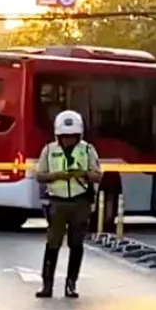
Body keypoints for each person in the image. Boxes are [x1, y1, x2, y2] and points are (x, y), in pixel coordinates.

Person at [34, 110, 101, 299]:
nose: (69, 140)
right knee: (53, 243)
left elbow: (98, 175)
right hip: (57, 201)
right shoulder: (49, 150)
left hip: (80, 201)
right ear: (58, 135)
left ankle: (71, 284)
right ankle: (47, 285)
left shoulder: (87, 150)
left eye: (72, 137)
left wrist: (83, 174)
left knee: (76, 244)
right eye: (65, 137)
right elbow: (39, 175)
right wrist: (56, 176)